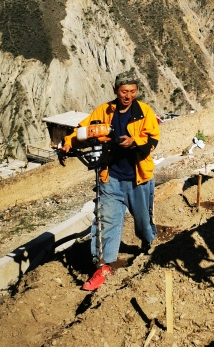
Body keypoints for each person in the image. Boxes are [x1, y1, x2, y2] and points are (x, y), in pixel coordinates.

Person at [61, 70, 160, 291]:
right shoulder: (103, 111)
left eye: (133, 91)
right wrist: (68, 142)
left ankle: (149, 245)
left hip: (138, 177)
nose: (128, 96)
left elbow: (153, 138)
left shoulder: (144, 112)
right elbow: (82, 131)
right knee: (106, 221)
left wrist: (134, 142)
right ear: (116, 90)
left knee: (143, 223)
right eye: (124, 91)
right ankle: (103, 266)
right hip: (111, 177)